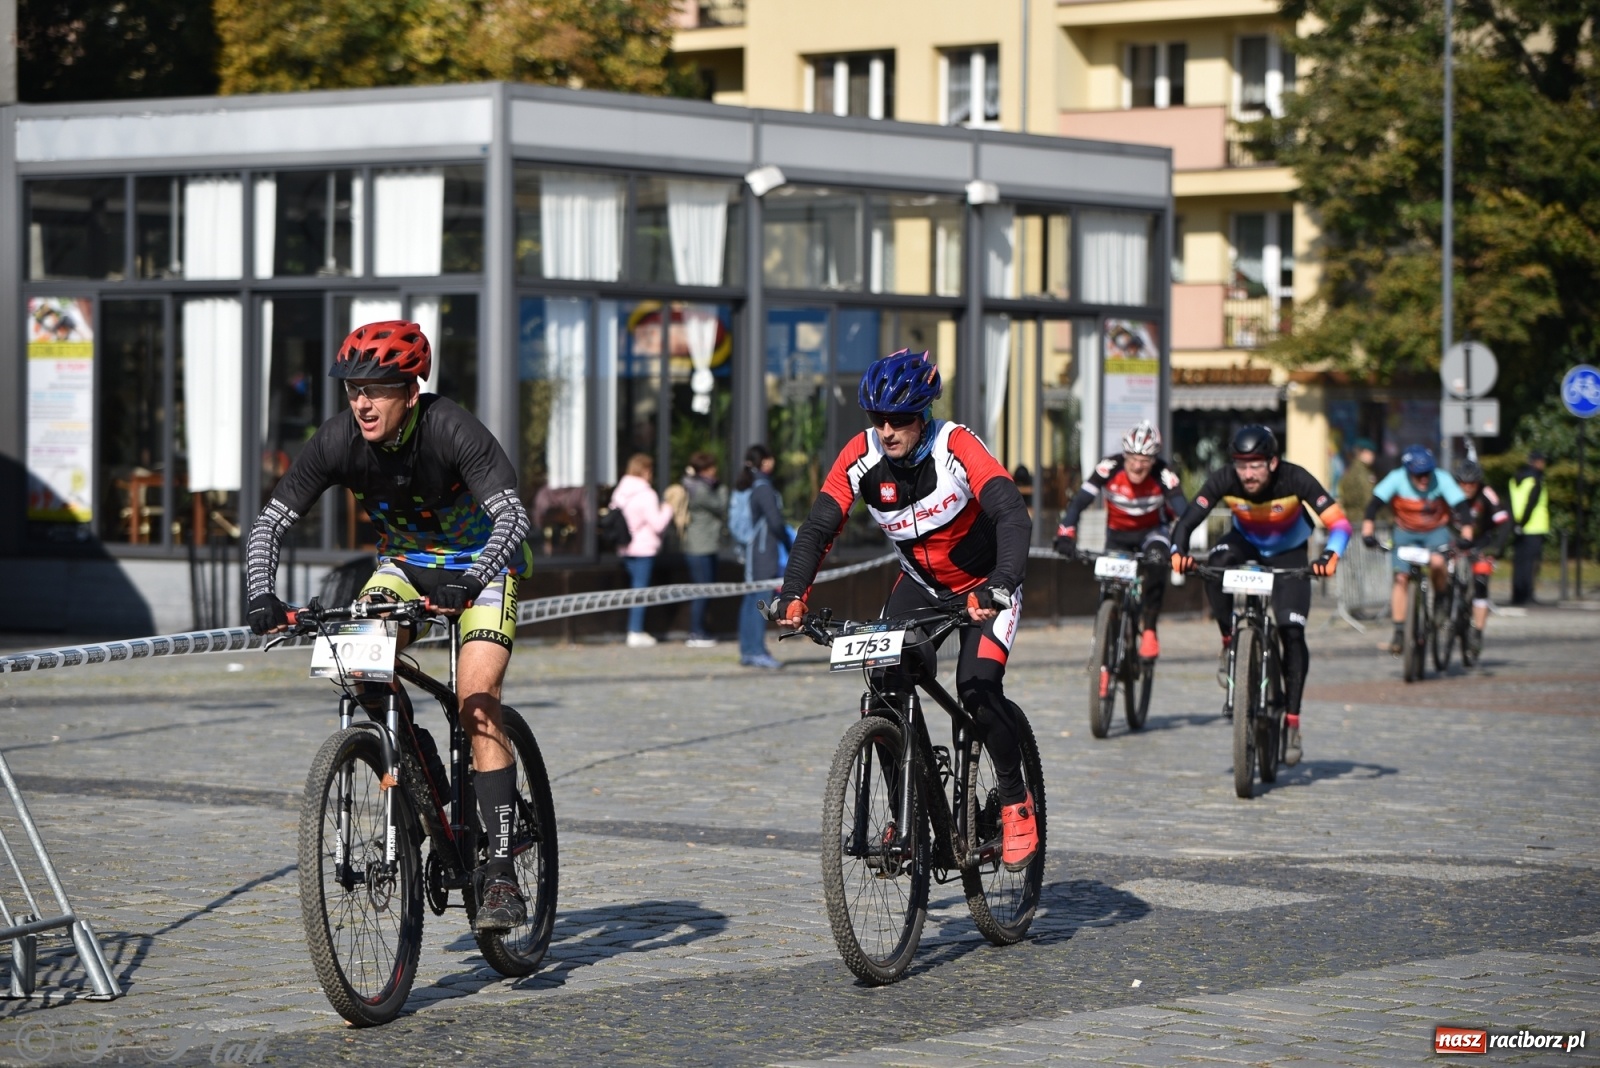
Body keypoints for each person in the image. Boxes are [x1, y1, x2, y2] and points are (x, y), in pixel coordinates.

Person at [244, 320, 535, 932]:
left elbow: (512, 518)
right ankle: (420, 762)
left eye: (376, 389)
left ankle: (503, 875)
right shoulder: (337, 441)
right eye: (353, 390)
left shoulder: (450, 427)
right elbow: (269, 523)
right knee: (359, 667)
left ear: (410, 389)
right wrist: (260, 594)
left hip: (481, 568)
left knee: (476, 700)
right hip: (403, 568)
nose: (362, 402)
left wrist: (471, 580)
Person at [769, 349, 1039, 870]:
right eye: (878, 420)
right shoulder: (860, 456)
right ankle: (906, 816)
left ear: (924, 414)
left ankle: (1013, 800)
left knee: (976, 688)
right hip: (920, 586)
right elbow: (820, 527)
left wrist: (1001, 584)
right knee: (884, 685)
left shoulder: (956, 446)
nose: (887, 431)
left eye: (900, 420)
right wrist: (794, 592)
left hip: (984, 586)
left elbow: (1012, 515)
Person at [1170, 425, 1349, 768]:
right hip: (1246, 543)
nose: (1248, 474)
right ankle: (1228, 640)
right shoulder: (1225, 479)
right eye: (1241, 465)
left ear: (1273, 462)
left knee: (1292, 633)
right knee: (1214, 563)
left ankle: (1293, 722)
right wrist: (1178, 550)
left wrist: (1330, 556)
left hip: (1289, 554)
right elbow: (1188, 520)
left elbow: (1339, 524)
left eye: (1256, 465)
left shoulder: (1296, 478)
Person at [1052, 419, 1187, 659]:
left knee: (1157, 562)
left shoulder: (1163, 474)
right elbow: (1080, 502)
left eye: (1144, 461)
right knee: (1108, 585)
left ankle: (1150, 629)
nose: (1136, 467)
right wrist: (1065, 533)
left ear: (1154, 460)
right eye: (1132, 459)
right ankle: (1104, 650)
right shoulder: (1110, 467)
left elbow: (1184, 513)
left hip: (1152, 533)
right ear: (1124, 456)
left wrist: (1179, 547)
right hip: (1117, 535)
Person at [1360, 446, 1470, 654]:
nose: (1424, 479)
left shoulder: (1442, 479)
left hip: (1435, 532)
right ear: (1408, 472)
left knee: (1438, 563)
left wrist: (1467, 534)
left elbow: (1462, 507)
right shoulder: (1396, 478)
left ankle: (1440, 598)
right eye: (1419, 475)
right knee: (1400, 578)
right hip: (1405, 533)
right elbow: (1373, 505)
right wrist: (1368, 532)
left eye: (1427, 473)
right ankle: (1400, 631)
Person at [735, 444, 792, 670]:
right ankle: (756, 650)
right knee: (760, 601)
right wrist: (788, 542)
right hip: (763, 553)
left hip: (754, 553)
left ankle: (748, 650)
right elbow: (775, 522)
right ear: (765, 462)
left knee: (751, 601)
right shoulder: (763, 488)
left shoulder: (752, 485)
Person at [611, 453, 675, 647]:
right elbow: (658, 524)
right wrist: (668, 509)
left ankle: (634, 628)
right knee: (641, 591)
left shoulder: (620, 491)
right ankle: (635, 631)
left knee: (634, 590)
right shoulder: (647, 494)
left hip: (625, 547)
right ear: (646, 471)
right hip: (643, 548)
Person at [1452, 459, 1511, 654]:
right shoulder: (1449, 492)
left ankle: (1477, 631)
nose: (1467, 488)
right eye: (1463, 483)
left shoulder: (1487, 493)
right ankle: (1444, 608)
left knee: (1480, 583)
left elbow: (1503, 521)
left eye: (1472, 484)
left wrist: (1496, 546)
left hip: (1481, 543)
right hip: (1455, 541)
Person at [680, 452, 728, 648]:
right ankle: (696, 632)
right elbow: (720, 505)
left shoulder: (696, 485)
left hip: (704, 545)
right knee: (702, 590)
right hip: (699, 547)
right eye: (711, 467)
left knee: (705, 589)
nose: (715, 471)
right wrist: (723, 489)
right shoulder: (699, 489)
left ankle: (700, 630)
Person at [1508, 450, 1549, 606]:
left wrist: (1515, 524)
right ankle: (1527, 595)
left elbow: (1512, 502)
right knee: (1531, 565)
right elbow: (1530, 504)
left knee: (1519, 563)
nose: (1543, 464)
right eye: (1541, 461)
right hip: (1534, 527)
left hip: (1518, 526)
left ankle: (1517, 595)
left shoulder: (1516, 479)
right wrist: (1523, 522)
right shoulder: (1536, 479)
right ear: (1535, 462)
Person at [1338, 437, 1378, 519]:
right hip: (1361, 519)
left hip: (1353, 517)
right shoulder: (1361, 473)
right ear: (1363, 453)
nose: (1373, 456)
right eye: (1371, 453)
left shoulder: (1352, 470)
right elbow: (1368, 500)